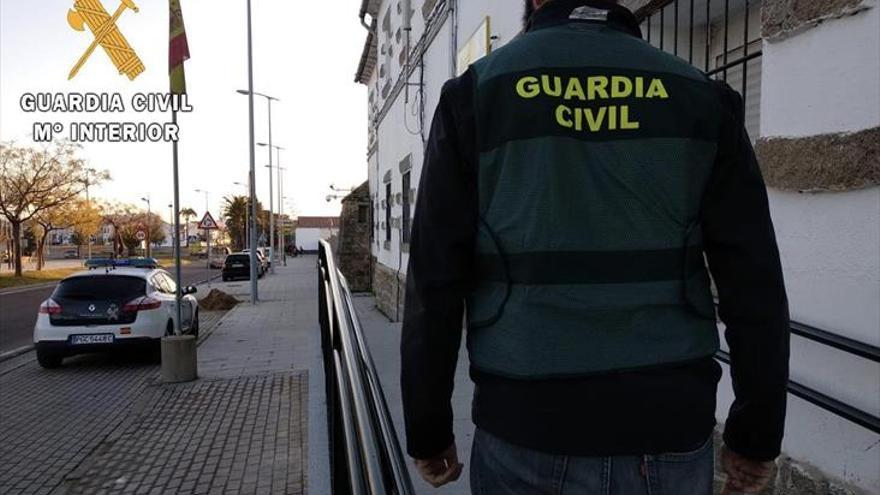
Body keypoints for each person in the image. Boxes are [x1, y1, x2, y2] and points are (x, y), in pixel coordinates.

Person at [400, 0, 790, 493]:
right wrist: (756, 435)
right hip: (666, 425)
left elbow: (433, 281)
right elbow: (753, 281)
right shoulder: (701, 98)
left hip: (523, 426)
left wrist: (427, 428)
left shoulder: (476, 95)